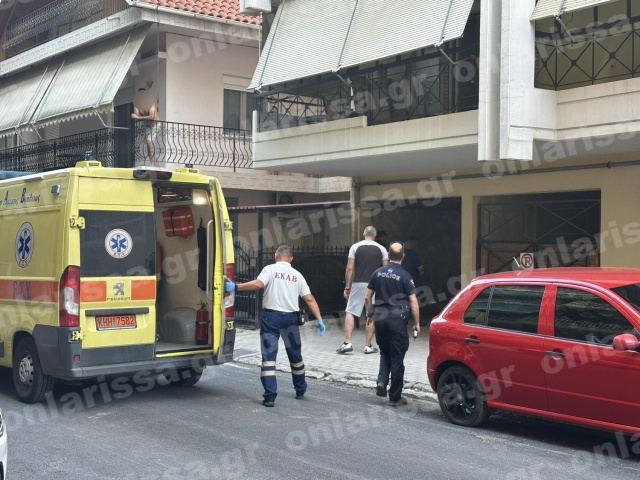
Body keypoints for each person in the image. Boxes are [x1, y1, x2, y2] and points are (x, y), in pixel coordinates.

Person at [225, 244, 326, 408]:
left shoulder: (270, 270)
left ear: (275, 255)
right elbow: (309, 299)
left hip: (271, 318)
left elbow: (258, 284)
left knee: (269, 357)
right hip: (291, 319)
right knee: (295, 356)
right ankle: (300, 389)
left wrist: (235, 287)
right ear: (291, 259)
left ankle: (270, 396)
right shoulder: (297, 275)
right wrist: (319, 319)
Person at [365, 241, 420, 406]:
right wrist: (416, 323)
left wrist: (369, 314)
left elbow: (367, 297)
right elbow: (413, 302)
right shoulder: (405, 276)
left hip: (380, 319)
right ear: (403, 256)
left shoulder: (377, 273)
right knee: (397, 357)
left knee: (384, 352)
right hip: (396, 321)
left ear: (388, 255)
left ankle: (381, 381)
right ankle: (395, 396)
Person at [337, 226, 388, 354]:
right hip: (374, 285)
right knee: (370, 313)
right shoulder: (382, 249)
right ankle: (368, 345)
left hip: (358, 283)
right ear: (375, 235)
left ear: (363, 234)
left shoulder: (355, 247)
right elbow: (385, 270)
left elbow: (349, 268)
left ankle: (347, 342)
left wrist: (347, 286)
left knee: (350, 311)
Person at [131, 88, 159, 165]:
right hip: (147, 126)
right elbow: (136, 114)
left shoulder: (150, 103)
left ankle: (153, 164)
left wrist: (139, 117)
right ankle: (151, 163)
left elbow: (152, 116)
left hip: (155, 124)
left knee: (150, 141)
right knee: (147, 145)